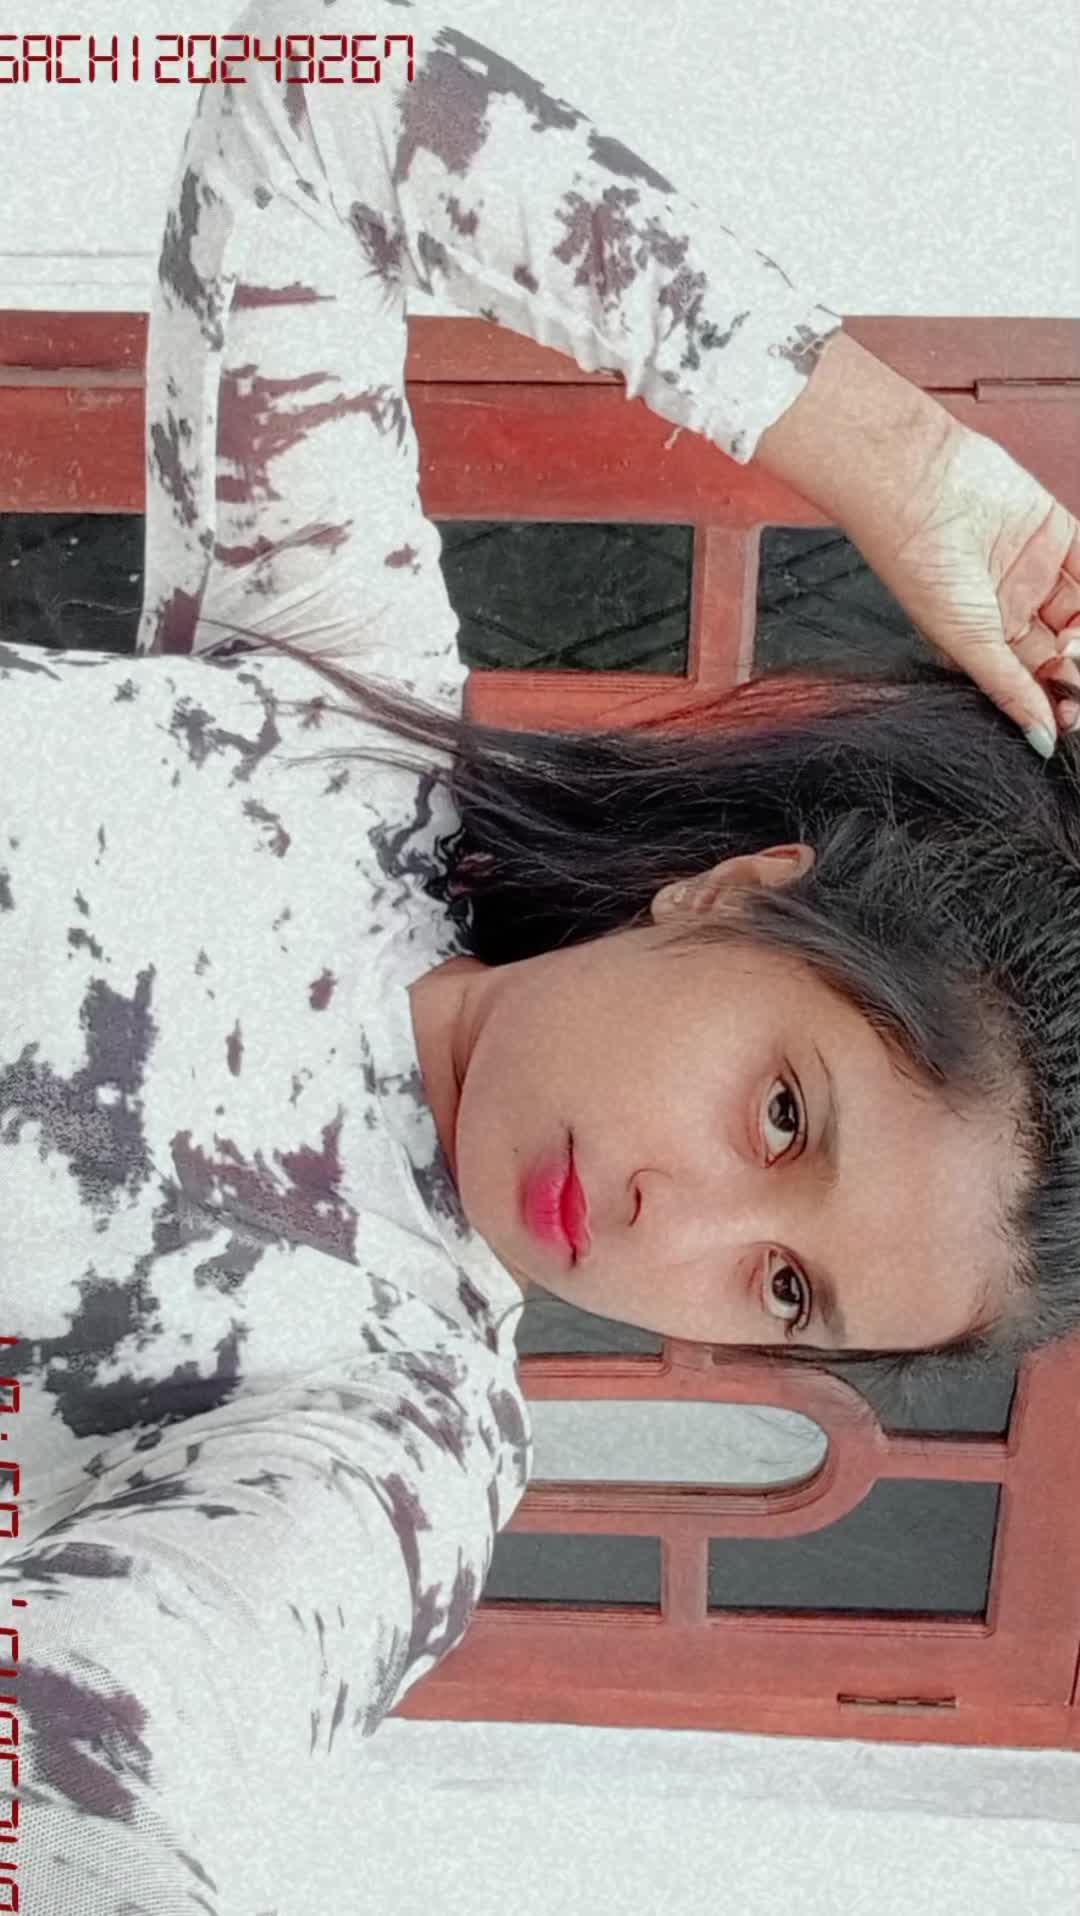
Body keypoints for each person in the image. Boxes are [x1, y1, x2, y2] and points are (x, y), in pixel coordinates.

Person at [5, 3, 1080, 1907]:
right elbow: (321, 88)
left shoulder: (389, 1433)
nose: (675, 1232)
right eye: (782, 1114)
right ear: (737, 892)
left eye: (785, 1291)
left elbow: (106, 1767)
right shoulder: (336, 703)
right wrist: (897, 455)